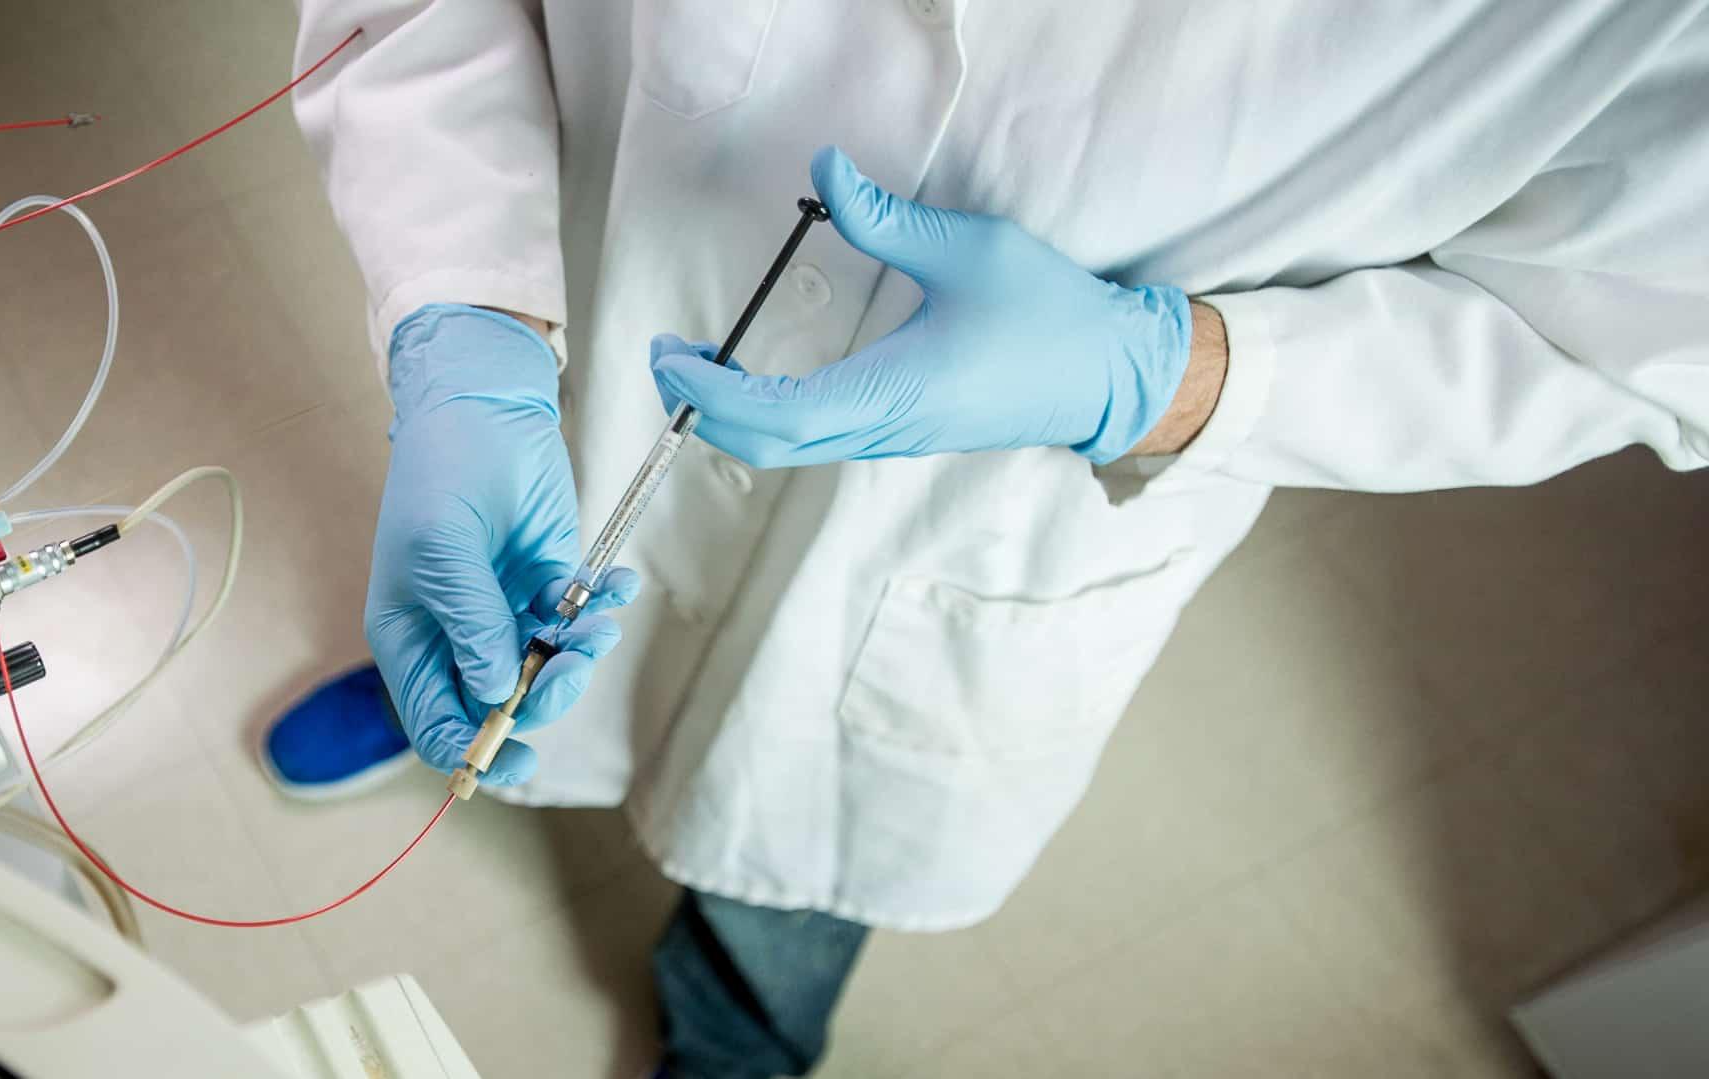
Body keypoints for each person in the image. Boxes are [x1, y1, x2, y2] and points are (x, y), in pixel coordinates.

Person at [261, 3, 1709, 1076]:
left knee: (799, 839)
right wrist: (464, 325)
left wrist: (1167, 375)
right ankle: (436, 680)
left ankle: (737, 1042)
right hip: (596, 274)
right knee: (486, 579)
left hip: (1009, 494)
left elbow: (1646, 334)